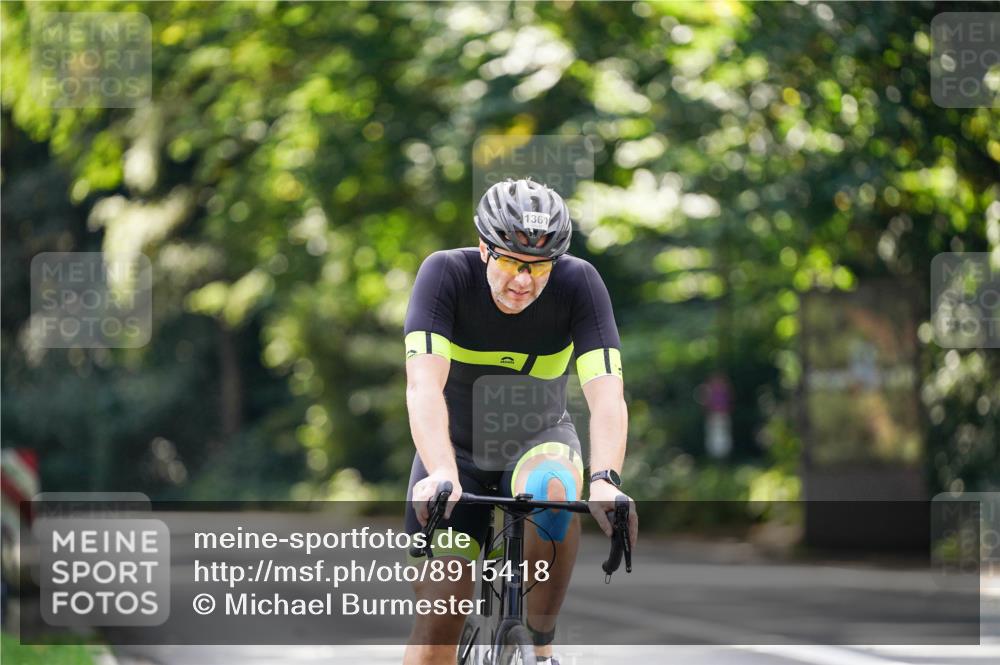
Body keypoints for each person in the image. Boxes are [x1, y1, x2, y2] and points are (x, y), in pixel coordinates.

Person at [402, 178, 637, 665]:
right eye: (511, 261)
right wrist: (442, 472)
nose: (523, 281)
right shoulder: (445, 274)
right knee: (437, 623)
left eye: (538, 267)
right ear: (485, 249)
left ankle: (540, 647)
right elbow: (423, 387)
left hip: (539, 438)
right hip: (457, 453)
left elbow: (608, 393)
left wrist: (605, 479)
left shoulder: (580, 283)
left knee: (554, 491)